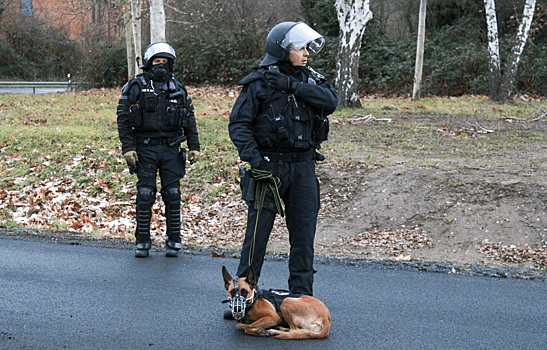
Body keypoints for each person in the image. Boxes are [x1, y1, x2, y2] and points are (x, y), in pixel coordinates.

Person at [228, 22, 339, 298]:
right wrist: (257, 160)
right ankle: (243, 297)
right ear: (282, 50)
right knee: (256, 238)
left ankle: (301, 298)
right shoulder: (259, 83)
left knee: (303, 238)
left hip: (303, 167)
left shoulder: (310, 80)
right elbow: (239, 125)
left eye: (305, 48)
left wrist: (293, 85)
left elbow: (332, 101)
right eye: (299, 48)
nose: (306, 54)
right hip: (269, 168)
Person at [116, 42, 200, 258]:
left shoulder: (178, 88)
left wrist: (194, 146)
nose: (161, 66)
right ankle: (142, 241)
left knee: (173, 194)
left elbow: (189, 118)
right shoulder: (135, 87)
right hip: (145, 149)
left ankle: (174, 241)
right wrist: (128, 148)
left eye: (164, 62)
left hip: (172, 149)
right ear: (148, 64)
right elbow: (123, 120)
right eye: (157, 62)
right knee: (145, 194)